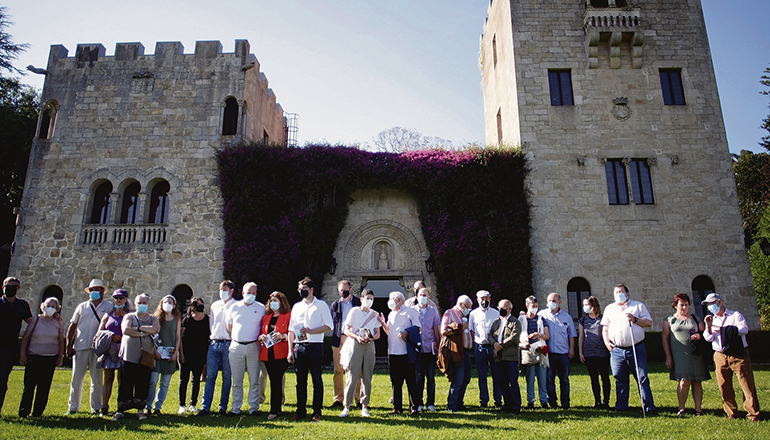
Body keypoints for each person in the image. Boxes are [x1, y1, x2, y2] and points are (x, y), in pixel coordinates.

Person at [702, 293, 760, 422]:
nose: (710, 307)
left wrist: (724, 330)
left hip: (738, 354)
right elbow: (708, 337)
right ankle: (731, 412)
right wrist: (709, 326)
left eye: (711, 304)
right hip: (720, 355)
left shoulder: (735, 315)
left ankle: (752, 413)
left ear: (720, 302)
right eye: (708, 305)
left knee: (746, 384)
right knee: (724, 385)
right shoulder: (712, 319)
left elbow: (744, 329)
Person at [601, 284, 657, 415]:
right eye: (616, 292)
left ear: (627, 293)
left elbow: (648, 323)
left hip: (636, 347)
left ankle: (648, 406)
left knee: (642, 377)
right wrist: (607, 342)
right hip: (617, 350)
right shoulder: (610, 309)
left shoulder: (638, 306)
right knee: (619, 378)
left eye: (621, 292)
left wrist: (635, 319)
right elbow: (605, 328)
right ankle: (621, 406)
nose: (619, 294)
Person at [66, 278, 114, 415]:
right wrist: (69, 345)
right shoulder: (82, 307)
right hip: (81, 345)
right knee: (76, 379)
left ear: (102, 291)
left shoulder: (108, 306)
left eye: (96, 290)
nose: (93, 292)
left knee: (97, 379)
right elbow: (73, 325)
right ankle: (73, 407)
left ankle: (96, 407)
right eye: (91, 290)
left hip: (98, 348)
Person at [288, 277, 333, 422]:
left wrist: (311, 331)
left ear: (311, 289)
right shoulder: (296, 307)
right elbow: (291, 330)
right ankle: (300, 410)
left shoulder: (321, 305)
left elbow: (329, 326)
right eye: (300, 289)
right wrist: (290, 350)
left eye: (304, 289)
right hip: (300, 347)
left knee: (316, 380)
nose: (301, 292)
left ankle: (317, 411)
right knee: (300, 381)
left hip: (315, 346)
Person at [113, 293, 160, 421]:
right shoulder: (129, 316)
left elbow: (156, 329)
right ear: (135, 304)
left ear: (149, 304)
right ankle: (121, 409)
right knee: (126, 382)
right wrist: (143, 332)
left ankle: (140, 409)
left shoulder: (153, 318)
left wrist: (138, 329)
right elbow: (126, 330)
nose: (142, 305)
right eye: (139, 302)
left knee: (143, 382)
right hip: (129, 355)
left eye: (145, 303)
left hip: (146, 356)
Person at [662, 293, 710, 417]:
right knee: (684, 381)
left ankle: (698, 409)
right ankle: (681, 408)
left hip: (695, 353)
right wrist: (668, 356)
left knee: (697, 381)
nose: (684, 308)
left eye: (686, 305)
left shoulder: (695, 318)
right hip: (679, 354)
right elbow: (665, 339)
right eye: (682, 305)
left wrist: (699, 336)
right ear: (675, 306)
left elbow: (704, 333)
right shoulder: (669, 319)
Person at [18, 296, 64, 417]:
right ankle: (24, 412)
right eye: (48, 305)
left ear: (57, 309)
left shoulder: (58, 322)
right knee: (29, 385)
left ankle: (37, 412)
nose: (50, 308)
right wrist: (23, 354)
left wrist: (60, 356)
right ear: (43, 306)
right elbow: (26, 337)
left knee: (44, 387)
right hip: (34, 356)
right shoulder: (35, 320)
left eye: (53, 306)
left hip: (50, 357)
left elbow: (60, 340)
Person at [378, 291, 422, 415]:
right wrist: (383, 324)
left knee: (410, 380)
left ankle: (414, 407)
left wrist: (407, 333)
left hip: (406, 352)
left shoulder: (410, 311)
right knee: (395, 382)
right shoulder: (391, 314)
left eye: (392, 298)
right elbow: (389, 332)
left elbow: (418, 327)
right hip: (393, 352)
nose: (390, 301)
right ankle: (397, 407)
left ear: (399, 300)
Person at [339, 289, 381, 418]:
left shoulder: (374, 314)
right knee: (352, 376)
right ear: (361, 299)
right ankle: (347, 406)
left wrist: (370, 338)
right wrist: (357, 337)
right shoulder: (354, 312)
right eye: (367, 298)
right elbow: (346, 329)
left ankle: (365, 406)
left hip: (369, 346)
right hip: (355, 345)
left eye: (371, 299)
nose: (369, 301)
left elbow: (377, 333)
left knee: (367, 377)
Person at [198, 280, 236, 416]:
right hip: (214, 343)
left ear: (231, 291)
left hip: (228, 343)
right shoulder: (215, 305)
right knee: (210, 376)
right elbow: (212, 323)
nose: (222, 292)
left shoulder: (236, 305)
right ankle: (205, 406)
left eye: (225, 289)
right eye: (221, 289)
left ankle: (223, 406)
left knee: (227, 376)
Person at [227, 282, 264, 416]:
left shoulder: (261, 308)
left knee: (254, 380)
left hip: (254, 346)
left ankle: (253, 408)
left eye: (254, 293)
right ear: (243, 293)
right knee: (237, 381)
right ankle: (236, 408)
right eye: (248, 293)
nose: (251, 295)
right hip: (236, 346)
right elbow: (229, 326)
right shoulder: (234, 307)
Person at [97, 289, 131, 417]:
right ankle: (104, 406)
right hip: (110, 348)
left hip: (124, 349)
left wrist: (123, 315)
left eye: (121, 298)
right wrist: (110, 336)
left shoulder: (130, 314)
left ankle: (120, 406)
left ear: (126, 299)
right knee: (108, 378)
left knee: (122, 379)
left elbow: (132, 327)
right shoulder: (108, 315)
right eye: (116, 298)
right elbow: (99, 332)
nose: (118, 300)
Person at [538, 292, 576, 409]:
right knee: (549, 379)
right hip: (548, 353)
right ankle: (553, 403)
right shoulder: (542, 315)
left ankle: (565, 403)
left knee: (564, 379)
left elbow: (571, 334)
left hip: (563, 353)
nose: (551, 303)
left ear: (559, 302)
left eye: (554, 301)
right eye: (549, 300)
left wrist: (572, 350)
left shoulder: (567, 317)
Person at [0, 277, 32, 414]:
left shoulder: (22, 305)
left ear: (18, 288)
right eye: (7, 286)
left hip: (9, 348)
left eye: (13, 286)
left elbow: (31, 322)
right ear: (3, 287)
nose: (10, 288)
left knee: (2, 380)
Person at [146, 295, 182, 415]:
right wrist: (154, 352)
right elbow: (152, 336)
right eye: (165, 302)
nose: (167, 304)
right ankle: (148, 406)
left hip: (170, 355)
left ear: (174, 305)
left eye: (170, 302)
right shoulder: (156, 318)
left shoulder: (177, 319)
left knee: (165, 382)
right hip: (157, 354)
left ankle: (158, 406)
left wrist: (176, 353)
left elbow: (178, 338)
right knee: (153, 381)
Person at [259, 291, 291, 420]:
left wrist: (283, 336)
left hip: (281, 353)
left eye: (275, 301)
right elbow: (261, 332)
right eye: (271, 300)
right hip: (267, 353)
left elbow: (292, 333)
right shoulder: (266, 317)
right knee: (273, 380)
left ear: (281, 302)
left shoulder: (288, 316)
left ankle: (275, 409)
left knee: (276, 381)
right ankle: (275, 407)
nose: (273, 303)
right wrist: (261, 337)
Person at [488, 299, 523, 414]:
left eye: (503, 308)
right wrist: (494, 344)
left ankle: (516, 406)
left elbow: (514, 337)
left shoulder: (515, 322)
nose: (501, 310)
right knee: (502, 382)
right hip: (499, 358)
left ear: (510, 309)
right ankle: (507, 404)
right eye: (499, 308)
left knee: (512, 382)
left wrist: (500, 345)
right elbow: (490, 335)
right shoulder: (496, 322)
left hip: (511, 357)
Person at [330, 279, 361, 408]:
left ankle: (358, 399)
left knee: (356, 370)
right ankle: (338, 399)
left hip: (354, 339)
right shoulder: (335, 305)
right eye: (340, 290)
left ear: (350, 289)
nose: (343, 292)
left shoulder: (358, 303)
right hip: (339, 339)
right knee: (338, 370)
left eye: (345, 289)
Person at [440, 295, 473, 412]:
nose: (468, 310)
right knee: (458, 379)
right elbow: (444, 331)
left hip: (467, 352)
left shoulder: (465, 316)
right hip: (456, 352)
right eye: (468, 308)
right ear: (461, 305)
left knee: (466, 378)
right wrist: (460, 327)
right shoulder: (449, 313)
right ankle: (451, 405)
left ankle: (459, 402)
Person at [469, 290, 501, 408]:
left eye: (487, 298)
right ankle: (484, 401)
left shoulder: (496, 313)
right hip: (480, 347)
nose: (484, 301)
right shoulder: (473, 314)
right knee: (482, 376)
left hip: (493, 347)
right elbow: (471, 331)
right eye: (482, 299)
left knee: (496, 375)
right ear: (477, 300)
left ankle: (498, 400)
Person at [411, 287, 441, 412]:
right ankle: (419, 403)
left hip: (430, 348)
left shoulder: (433, 311)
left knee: (430, 378)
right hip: (417, 349)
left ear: (429, 297)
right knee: (418, 378)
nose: (422, 297)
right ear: (416, 296)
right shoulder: (412, 311)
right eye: (420, 295)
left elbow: (436, 329)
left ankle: (430, 403)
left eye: (425, 295)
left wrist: (439, 347)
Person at [178, 296, 210, 414]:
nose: (201, 306)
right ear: (193, 307)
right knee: (184, 380)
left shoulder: (207, 319)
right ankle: (182, 404)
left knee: (196, 380)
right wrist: (181, 354)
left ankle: (193, 404)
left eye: (202, 304)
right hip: (186, 353)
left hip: (200, 354)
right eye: (198, 304)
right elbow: (180, 338)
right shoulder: (186, 320)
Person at [578, 296, 611, 409]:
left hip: (602, 353)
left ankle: (606, 401)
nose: (585, 307)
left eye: (587, 304)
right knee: (594, 378)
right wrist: (581, 352)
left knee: (605, 377)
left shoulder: (603, 319)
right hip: (589, 353)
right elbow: (581, 336)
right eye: (584, 305)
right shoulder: (583, 320)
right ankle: (597, 401)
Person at [518, 296, 550, 409]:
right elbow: (519, 334)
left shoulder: (541, 319)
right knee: (530, 377)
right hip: (528, 351)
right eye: (533, 306)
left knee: (542, 377)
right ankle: (530, 401)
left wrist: (539, 335)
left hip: (540, 350)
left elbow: (547, 335)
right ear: (527, 306)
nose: (535, 308)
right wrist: (525, 341)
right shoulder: (521, 319)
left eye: (536, 306)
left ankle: (544, 400)